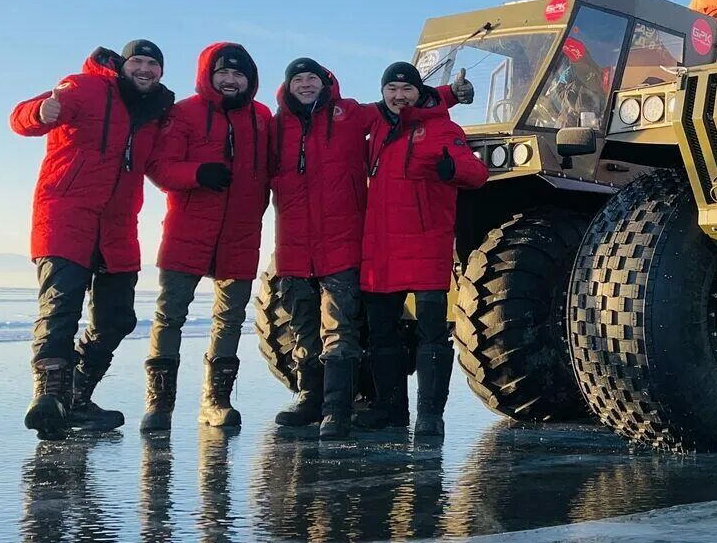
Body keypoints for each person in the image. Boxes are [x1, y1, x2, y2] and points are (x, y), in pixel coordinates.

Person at [267, 58, 471, 440]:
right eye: (299, 79)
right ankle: (324, 401)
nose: (306, 85)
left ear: (327, 82)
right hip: (309, 245)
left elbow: (408, 105)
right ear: (288, 85)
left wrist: (449, 96)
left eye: (313, 77)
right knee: (312, 328)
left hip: (362, 243)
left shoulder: (352, 117)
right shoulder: (275, 127)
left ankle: (342, 411)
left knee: (344, 327)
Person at [10, 41, 175, 438]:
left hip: (118, 225)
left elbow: (159, 166)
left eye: (153, 64)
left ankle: (78, 397)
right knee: (60, 308)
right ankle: (49, 394)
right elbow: (21, 117)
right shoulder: (84, 87)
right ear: (123, 64)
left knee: (117, 318)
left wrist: (201, 175)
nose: (145, 69)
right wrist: (38, 112)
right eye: (138, 61)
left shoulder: (155, 113)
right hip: (66, 216)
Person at [141, 42, 273, 434]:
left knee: (230, 319)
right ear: (208, 75)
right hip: (188, 230)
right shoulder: (184, 113)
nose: (230, 80)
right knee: (170, 315)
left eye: (238, 74)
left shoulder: (262, 117)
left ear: (249, 80)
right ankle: (159, 405)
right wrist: (198, 174)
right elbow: (159, 166)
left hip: (242, 232)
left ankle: (216, 402)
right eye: (223, 73)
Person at [358, 61, 486, 439]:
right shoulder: (376, 127)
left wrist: (451, 170)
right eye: (391, 89)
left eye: (406, 89)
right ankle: (390, 409)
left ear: (418, 92)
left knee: (432, 335)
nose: (399, 96)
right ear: (382, 93)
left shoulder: (444, 129)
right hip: (380, 249)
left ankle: (430, 415)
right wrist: (446, 92)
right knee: (382, 335)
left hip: (426, 246)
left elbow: (477, 174)